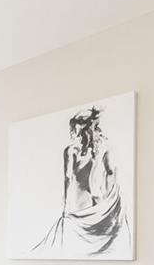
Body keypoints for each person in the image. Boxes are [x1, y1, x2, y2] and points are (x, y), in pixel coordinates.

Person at [32, 106, 130, 255]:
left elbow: (68, 178)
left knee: (77, 244)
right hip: (94, 200)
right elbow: (109, 172)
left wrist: (66, 205)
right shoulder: (98, 148)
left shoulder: (74, 150)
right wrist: (110, 195)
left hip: (84, 202)